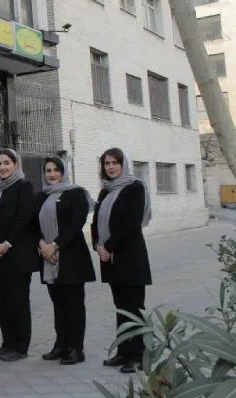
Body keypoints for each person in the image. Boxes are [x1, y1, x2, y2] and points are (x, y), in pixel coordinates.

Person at [92, 147, 153, 374]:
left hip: (130, 257)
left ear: (123, 164)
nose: (110, 167)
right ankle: (123, 351)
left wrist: (108, 246)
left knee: (134, 307)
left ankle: (138, 356)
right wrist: (97, 246)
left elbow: (131, 223)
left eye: (114, 163)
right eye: (107, 163)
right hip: (110, 259)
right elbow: (95, 221)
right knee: (121, 307)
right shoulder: (105, 191)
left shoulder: (135, 187)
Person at [35, 157, 96, 366]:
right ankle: (60, 345)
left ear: (64, 172)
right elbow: (32, 225)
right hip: (48, 258)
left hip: (71, 257)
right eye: (48, 170)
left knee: (74, 305)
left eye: (56, 170)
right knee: (58, 304)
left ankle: (76, 349)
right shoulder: (41, 196)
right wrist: (43, 245)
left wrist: (55, 245)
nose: (52, 174)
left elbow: (76, 224)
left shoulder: (76, 194)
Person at [0, 148, 36, 362]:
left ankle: (20, 347)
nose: (2, 167)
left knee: (18, 303)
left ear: (16, 164)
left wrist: (7, 244)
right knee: (2, 303)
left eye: (7, 163)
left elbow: (24, 219)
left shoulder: (24, 187)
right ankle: (7, 343)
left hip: (17, 256)